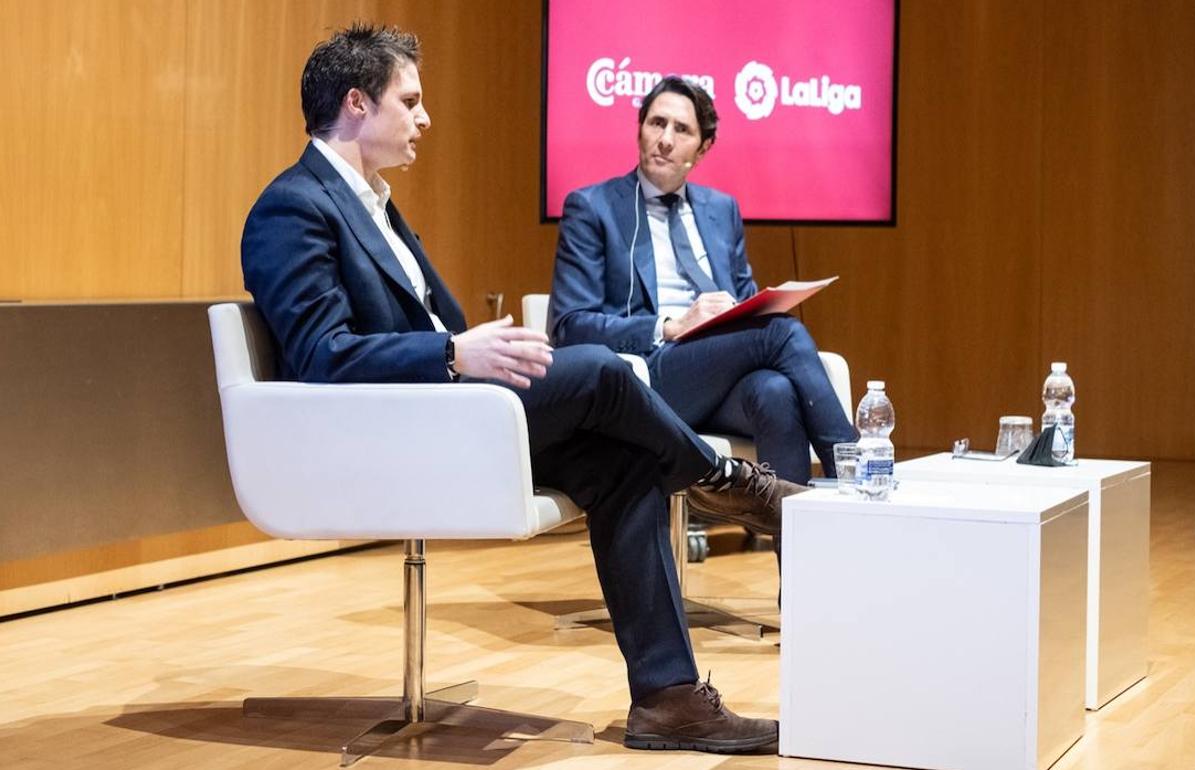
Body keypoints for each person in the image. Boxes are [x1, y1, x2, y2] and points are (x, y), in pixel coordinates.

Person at [241, 24, 796, 754]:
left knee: (624, 463)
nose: (424, 117)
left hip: (447, 415)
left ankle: (668, 701)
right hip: (396, 432)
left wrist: (474, 352)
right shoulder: (293, 206)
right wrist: (453, 353)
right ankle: (725, 480)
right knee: (598, 365)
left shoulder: (372, 201)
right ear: (356, 104)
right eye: (409, 101)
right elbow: (320, 356)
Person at [548, 76, 858, 518]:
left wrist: (750, 309)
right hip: (647, 376)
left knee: (775, 392)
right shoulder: (592, 207)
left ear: (703, 147)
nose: (665, 140)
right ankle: (853, 468)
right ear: (639, 128)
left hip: (717, 377)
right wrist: (669, 326)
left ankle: (799, 575)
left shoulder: (721, 210)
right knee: (782, 332)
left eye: (682, 130)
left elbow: (746, 300)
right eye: (657, 123)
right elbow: (569, 326)